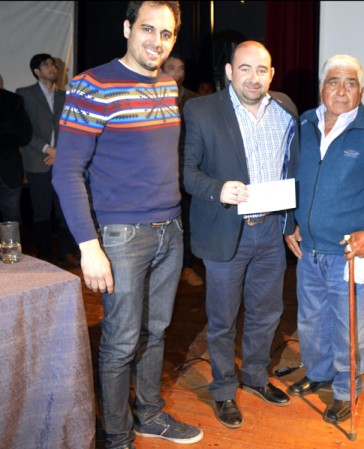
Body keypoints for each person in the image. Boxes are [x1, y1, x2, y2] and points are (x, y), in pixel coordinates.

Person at [52, 2, 204, 448]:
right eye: (147, 29)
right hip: (121, 238)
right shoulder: (92, 85)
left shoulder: (168, 88)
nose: (156, 41)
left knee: (155, 332)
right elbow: (66, 171)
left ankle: (149, 414)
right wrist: (89, 246)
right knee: (120, 341)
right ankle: (116, 434)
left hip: (170, 229)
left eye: (167, 34)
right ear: (126, 28)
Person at [284, 54, 364, 424]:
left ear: (361, 90)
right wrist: (291, 222)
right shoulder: (303, 124)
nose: (341, 90)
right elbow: (290, 177)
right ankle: (319, 372)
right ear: (321, 88)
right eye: (334, 82)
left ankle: (346, 389)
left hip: (352, 254)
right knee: (311, 322)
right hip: (309, 251)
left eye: (350, 83)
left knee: (349, 328)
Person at [182, 40, 299, 429]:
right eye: (244, 68)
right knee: (222, 320)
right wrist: (217, 189)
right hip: (226, 232)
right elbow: (188, 172)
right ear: (230, 72)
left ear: (271, 74)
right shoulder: (201, 109)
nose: (253, 77)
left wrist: (291, 223)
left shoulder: (285, 108)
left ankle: (254, 376)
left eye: (261, 69)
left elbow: (292, 166)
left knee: (267, 313)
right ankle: (223, 389)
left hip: (270, 231)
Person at [16, 53, 78, 265]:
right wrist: (48, 149)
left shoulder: (65, 95)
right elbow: (24, 129)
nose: (53, 68)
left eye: (54, 64)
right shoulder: (24, 94)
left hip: (62, 160)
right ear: (37, 71)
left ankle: (66, 251)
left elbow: (71, 128)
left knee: (65, 208)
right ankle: (44, 254)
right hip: (38, 160)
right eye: (47, 65)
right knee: (41, 210)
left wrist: (59, 152)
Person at [161, 52, 203, 287]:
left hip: (187, 170)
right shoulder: (150, 96)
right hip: (158, 171)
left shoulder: (196, 101)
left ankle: (187, 267)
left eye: (181, 68)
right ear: (161, 69)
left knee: (187, 220)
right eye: (172, 68)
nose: (177, 73)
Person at [0, 74, 32, 223]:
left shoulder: (13, 100)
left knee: (11, 218)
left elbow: (25, 135)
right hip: (10, 167)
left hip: (9, 170)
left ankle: (10, 240)